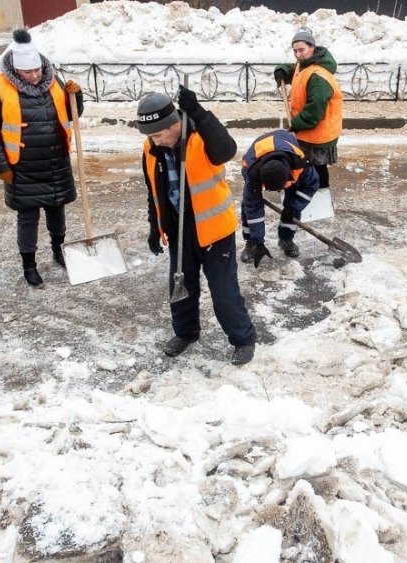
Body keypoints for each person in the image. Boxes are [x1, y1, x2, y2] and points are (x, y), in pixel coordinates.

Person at [138, 87, 257, 366]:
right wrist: (155, 226)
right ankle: (186, 333)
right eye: (149, 136)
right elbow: (153, 191)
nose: (154, 141)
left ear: (174, 125)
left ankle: (243, 338)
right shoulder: (151, 150)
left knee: (224, 291)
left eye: (158, 134)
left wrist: (201, 113)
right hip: (179, 230)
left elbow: (227, 149)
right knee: (180, 287)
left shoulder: (200, 136)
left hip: (214, 230)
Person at [0, 28, 84, 288]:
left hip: (55, 160)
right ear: (16, 69)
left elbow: (72, 115)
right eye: (29, 72)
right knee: (27, 216)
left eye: (37, 69)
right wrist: (0, 165)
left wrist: (76, 96)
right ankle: (29, 264)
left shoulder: (54, 81)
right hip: (21, 166)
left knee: (56, 207)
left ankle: (59, 250)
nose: (35, 75)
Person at [273, 27, 342, 199]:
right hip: (309, 130)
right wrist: (283, 71)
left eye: (301, 50)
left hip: (318, 132)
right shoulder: (306, 64)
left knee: (317, 167)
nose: (298, 54)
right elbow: (296, 70)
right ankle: (307, 195)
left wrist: (295, 124)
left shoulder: (318, 76)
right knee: (307, 165)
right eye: (295, 50)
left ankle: (320, 199)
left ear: (312, 47)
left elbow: (314, 112)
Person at [238, 129, 320, 266]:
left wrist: (293, 208)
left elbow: (312, 185)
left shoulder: (300, 164)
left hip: (284, 145)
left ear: (290, 174)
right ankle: (252, 242)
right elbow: (253, 208)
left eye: (281, 187)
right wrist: (259, 242)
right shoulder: (252, 173)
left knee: (293, 202)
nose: (279, 191)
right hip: (257, 156)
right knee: (249, 204)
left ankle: (286, 239)